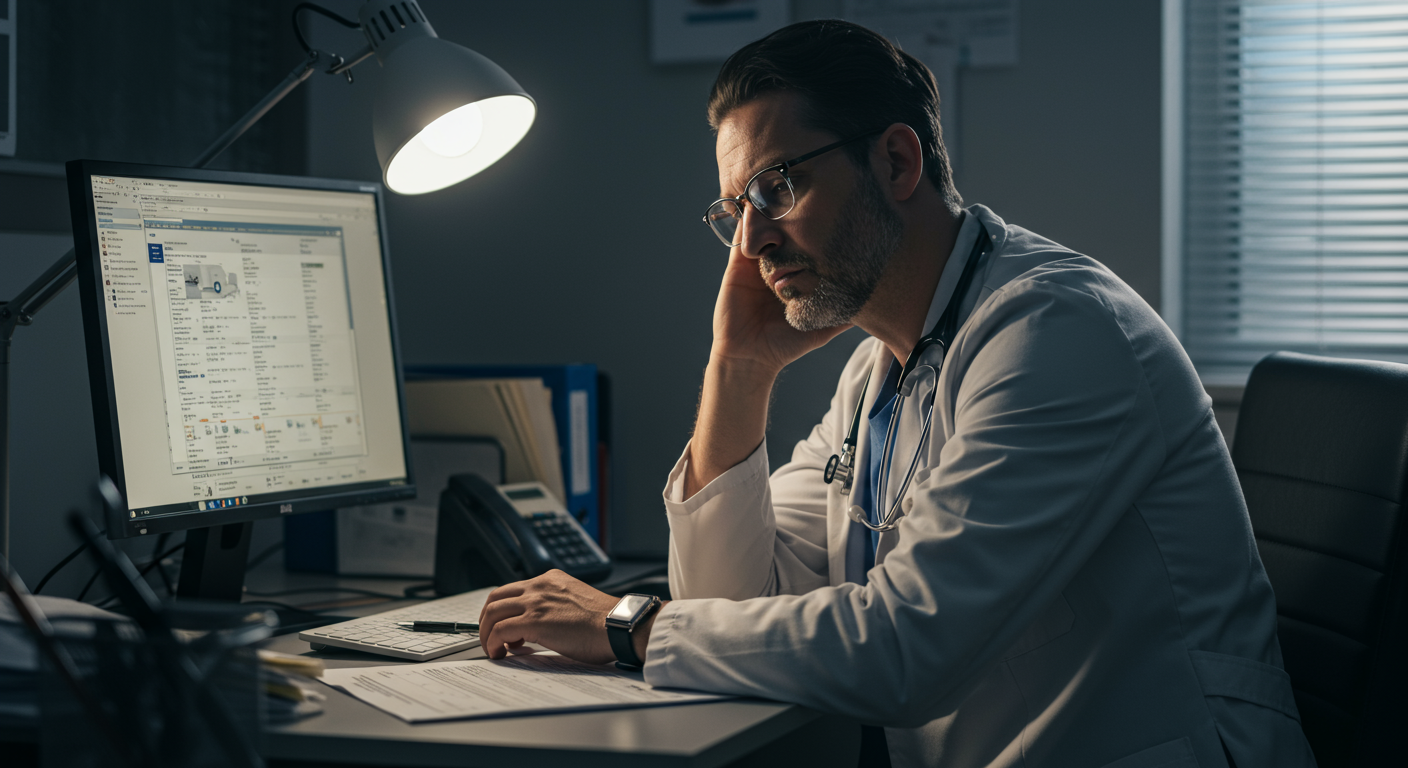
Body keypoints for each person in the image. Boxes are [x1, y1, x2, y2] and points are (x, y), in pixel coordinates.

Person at [477, 19, 1315, 768]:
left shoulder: (1057, 332)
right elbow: (727, 608)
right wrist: (738, 370)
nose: (752, 241)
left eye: (775, 188)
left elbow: (909, 649)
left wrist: (627, 625)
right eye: (734, 210)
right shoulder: (884, 368)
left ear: (897, 159)